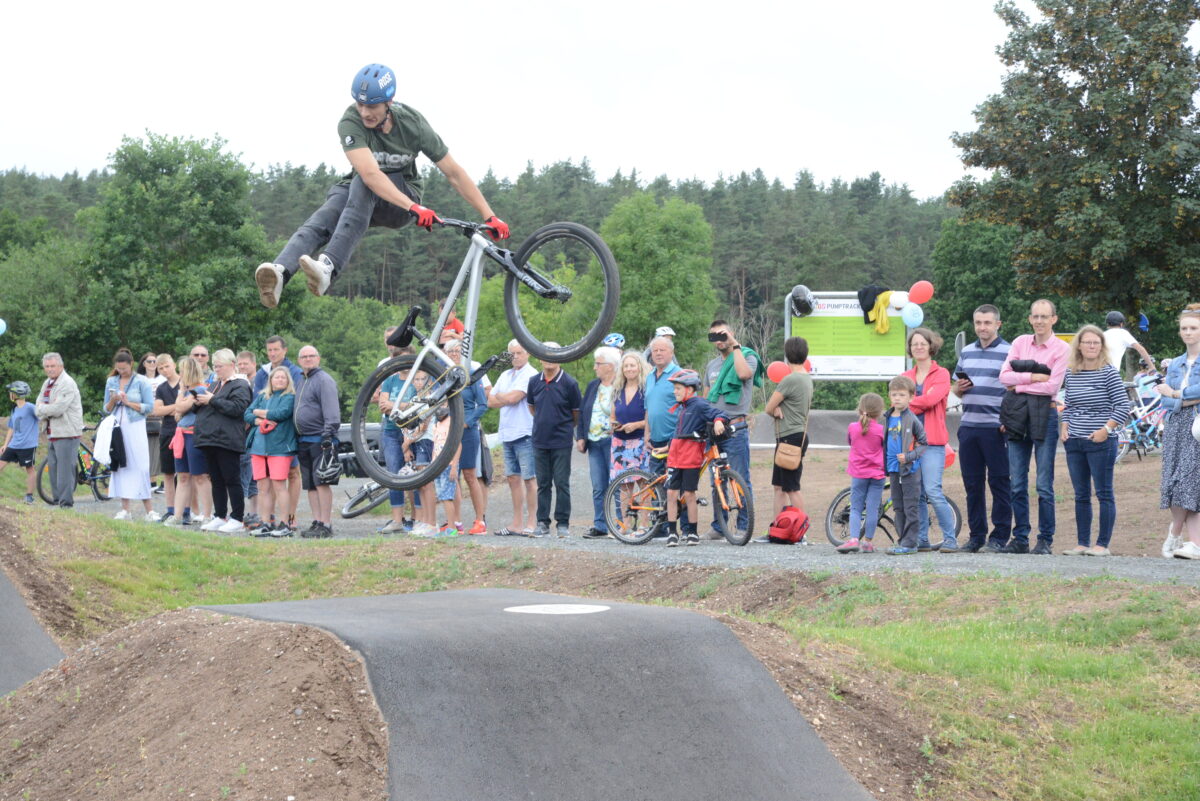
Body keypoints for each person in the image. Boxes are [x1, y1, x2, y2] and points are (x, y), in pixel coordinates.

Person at [254, 63, 509, 308]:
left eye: (372, 106)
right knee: (326, 215)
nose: (365, 112)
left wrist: (489, 216)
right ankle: (280, 272)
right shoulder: (350, 121)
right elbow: (369, 173)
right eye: (360, 104)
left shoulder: (413, 124)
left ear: (389, 102)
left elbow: (453, 172)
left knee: (364, 184)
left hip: (402, 200)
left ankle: (328, 267)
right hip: (361, 194)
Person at [999, 299, 1071, 554]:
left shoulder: (1062, 348)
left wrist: (1018, 386)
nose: (1039, 321)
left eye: (1044, 316)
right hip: (1018, 414)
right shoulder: (1020, 342)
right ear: (1030, 319)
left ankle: (1045, 540)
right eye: (1035, 316)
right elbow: (1003, 376)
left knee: (1043, 483)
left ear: (1054, 319)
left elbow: (1052, 387)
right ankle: (1020, 538)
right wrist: (1034, 377)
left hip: (1044, 413)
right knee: (1017, 482)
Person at [1058, 325, 1129, 556]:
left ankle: (1102, 545)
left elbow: (1123, 406)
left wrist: (1106, 430)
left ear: (1101, 346)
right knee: (1080, 495)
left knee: (1104, 493)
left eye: (1096, 342)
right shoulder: (1071, 373)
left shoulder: (1109, 373)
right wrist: (1064, 427)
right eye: (1087, 342)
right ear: (1079, 345)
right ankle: (1082, 543)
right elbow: (1069, 405)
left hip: (1100, 442)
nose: (1091, 346)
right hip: (1074, 442)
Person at [952, 305, 1013, 553]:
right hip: (968, 426)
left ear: (998, 324)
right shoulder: (966, 352)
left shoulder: (1010, 352)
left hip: (996, 428)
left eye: (987, 323)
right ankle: (976, 536)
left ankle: (999, 537)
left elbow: (1015, 390)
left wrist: (1008, 421)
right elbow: (956, 390)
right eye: (978, 322)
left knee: (1000, 483)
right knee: (972, 485)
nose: (982, 327)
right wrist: (959, 388)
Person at [702, 320, 763, 539]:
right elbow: (706, 398)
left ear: (731, 333)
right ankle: (719, 527)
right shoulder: (711, 366)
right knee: (716, 480)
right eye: (714, 336)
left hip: (735, 427)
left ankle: (743, 527)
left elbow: (744, 375)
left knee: (740, 478)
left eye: (722, 334)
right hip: (712, 429)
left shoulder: (747, 356)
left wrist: (735, 345)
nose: (719, 340)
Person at [654, 369, 728, 547]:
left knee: (689, 494)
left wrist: (718, 421)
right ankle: (673, 532)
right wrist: (667, 447)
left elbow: (719, 413)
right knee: (671, 493)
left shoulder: (699, 404)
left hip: (691, 457)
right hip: (675, 456)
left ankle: (692, 532)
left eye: (678, 388)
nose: (675, 392)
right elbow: (678, 432)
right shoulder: (683, 408)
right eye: (675, 388)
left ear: (689, 389)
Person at [901, 327, 958, 552]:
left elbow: (931, 400)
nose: (918, 347)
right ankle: (922, 539)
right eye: (914, 344)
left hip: (933, 443)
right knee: (918, 494)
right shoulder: (905, 376)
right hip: (910, 442)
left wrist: (909, 402)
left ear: (930, 346)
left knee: (933, 491)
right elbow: (898, 403)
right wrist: (915, 401)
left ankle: (950, 539)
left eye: (922, 343)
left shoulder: (942, 374)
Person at [1156, 303, 1200, 560]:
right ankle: (1178, 536)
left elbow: (1174, 394)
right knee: (1173, 481)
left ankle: (1185, 538)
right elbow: (1164, 401)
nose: (1188, 332)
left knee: (1189, 481)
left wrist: (1174, 393)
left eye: (1193, 328)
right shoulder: (1175, 363)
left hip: (1196, 427)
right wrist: (1181, 398)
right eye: (1184, 328)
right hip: (1175, 425)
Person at [193, 349, 253, 532]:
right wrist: (198, 403)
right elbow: (207, 407)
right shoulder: (214, 384)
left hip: (228, 439)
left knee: (232, 479)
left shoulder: (240, 384)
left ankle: (237, 518)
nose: (216, 369)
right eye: (215, 366)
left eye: (220, 366)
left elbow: (237, 409)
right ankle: (220, 516)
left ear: (232, 365)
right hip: (209, 438)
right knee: (216, 479)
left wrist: (212, 400)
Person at [527, 344, 581, 538]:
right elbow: (532, 408)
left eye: (553, 355)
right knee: (543, 484)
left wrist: (563, 427)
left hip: (561, 441)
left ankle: (563, 523)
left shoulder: (570, 383)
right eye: (545, 355)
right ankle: (542, 522)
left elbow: (576, 413)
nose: (549, 359)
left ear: (561, 357)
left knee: (561, 483)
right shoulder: (534, 381)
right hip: (540, 440)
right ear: (539, 358)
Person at [488, 340, 539, 536]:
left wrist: (502, 396)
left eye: (519, 352)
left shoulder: (531, 374)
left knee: (529, 479)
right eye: (512, 353)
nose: (515, 356)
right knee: (512, 478)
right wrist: (505, 397)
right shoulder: (505, 375)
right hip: (507, 433)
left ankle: (532, 522)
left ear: (528, 353)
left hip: (525, 433)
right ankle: (516, 522)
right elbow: (490, 401)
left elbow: (512, 398)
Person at [254, 336, 305, 530]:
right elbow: (256, 401)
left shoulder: (295, 372)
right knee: (268, 480)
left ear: (285, 350)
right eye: (270, 350)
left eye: (276, 349)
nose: (273, 353)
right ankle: (268, 518)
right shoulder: (262, 373)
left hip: (286, 433)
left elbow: (294, 402)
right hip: (265, 436)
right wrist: (258, 418)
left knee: (292, 473)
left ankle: (290, 516)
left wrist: (266, 414)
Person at [244, 366, 298, 538]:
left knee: (279, 486)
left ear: (288, 381)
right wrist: (259, 421)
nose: (280, 380)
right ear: (271, 380)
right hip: (259, 448)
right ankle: (266, 523)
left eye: (283, 377)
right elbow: (247, 414)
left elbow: (281, 413)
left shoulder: (289, 397)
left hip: (280, 448)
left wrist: (259, 413)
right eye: (276, 377)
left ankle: (284, 524)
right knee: (262, 487)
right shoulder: (262, 396)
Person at [104, 350, 158, 521]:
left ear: (131, 364)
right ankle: (125, 509)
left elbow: (149, 407)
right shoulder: (111, 381)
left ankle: (149, 510)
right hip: (117, 426)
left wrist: (129, 403)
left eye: (124, 369)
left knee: (141, 465)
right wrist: (114, 400)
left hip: (135, 425)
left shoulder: (141, 381)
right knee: (121, 463)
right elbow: (106, 408)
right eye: (118, 369)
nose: (121, 372)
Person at [764, 336, 813, 523]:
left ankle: (801, 529)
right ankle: (777, 528)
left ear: (786, 355)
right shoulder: (805, 377)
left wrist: (775, 408)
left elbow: (768, 408)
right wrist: (778, 407)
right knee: (779, 487)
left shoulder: (790, 379)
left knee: (792, 488)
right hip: (794, 435)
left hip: (790, 437)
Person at [294, 346, 341, 538]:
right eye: (304, 356)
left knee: (322, 482)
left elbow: (332, 411)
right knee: (311, 485)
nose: (308, 359)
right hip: (303, 439)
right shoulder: (301, 380)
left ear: (318, 358)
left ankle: (326, 524)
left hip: (320, 439)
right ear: (299, 360)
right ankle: (317, 521)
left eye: (311, 356)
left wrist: (328, 436)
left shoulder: (324, 380)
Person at [576, 346, 621, 539]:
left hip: (614, 441)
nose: (595, 367)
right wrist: (580, 436)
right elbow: (583, 412)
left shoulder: (621, 386)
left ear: (610, 366)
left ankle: (621, 524)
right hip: (594, 441)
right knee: (598, 485)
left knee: (617, 484)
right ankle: (600, 525)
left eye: (598, 364)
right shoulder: (593, 385)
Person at [882, 376, 928, 556]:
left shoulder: (912, 419)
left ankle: (910, 543)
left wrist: (909, 457)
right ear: (889, 396)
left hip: (909, 470)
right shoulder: (887, 417)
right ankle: (902, 540)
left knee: (910, 507)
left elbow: (923, 444)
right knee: (898, 507)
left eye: (902, 395)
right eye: (894, 395)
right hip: (893, 470)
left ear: (911, 397)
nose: (897, 398)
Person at [446, 340, 488, 535]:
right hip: (448, 430)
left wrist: (467, 422)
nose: (454, 354)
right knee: (452, 476)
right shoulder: (445, 375)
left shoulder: (472, 373)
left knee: (470, 475)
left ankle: (480, 521)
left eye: (458, 351)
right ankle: (455, 522)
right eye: (451, 351)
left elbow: (483, 405)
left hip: (467, 430)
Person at [836, 393, 887, 554]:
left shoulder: (852, 427)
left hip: (858, 473)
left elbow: (850, 442)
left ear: (860, 409)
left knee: (856, 508)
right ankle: (868, 543)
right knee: (872, 509)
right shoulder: (881, 430)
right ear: (880, 412)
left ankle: (853, 539)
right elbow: (885, 448)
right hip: (877, 474)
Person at [35, 353, 84, 508]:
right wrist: (45, 408)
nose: (50, 369)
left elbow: (58, 409)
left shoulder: (67, 383)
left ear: (61, 366)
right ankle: (58, 502)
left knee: (65, 470)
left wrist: (44, 408)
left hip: (67, 432)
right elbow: (37, 407)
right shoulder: (47, 383)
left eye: (53, 366)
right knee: (54, 469)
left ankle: (66, 504)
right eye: (47, 366)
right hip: (52, 432)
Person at [610, 351, 650, 519]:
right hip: (620, 443)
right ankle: (624, 524)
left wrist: (635, 425)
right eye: (626, 366)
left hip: (640, 441)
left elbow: (651, 418)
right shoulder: (617, 390)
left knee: (644, 484)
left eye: (632, 365)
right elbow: (612, 416)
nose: (629, 369)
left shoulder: (646, 390)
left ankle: (644, 524)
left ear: (639, 367)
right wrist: (614, 424)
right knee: (624, 486)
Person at [152, 354, 182, 524]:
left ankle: (185, 510)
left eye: (167, 366)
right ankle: (170, 510)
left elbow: (188, 406)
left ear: (174, 364)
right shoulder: (161, 388)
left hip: (183, 432)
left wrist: (169, 408)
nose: (164, 370)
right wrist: (177, 407)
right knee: (168, 474)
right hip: (166, 432)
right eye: (161, 368)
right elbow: (157, 411)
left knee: (185, 474)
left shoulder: (185, 383)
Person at [1, 381, 38, 503]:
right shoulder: (15, 409)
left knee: (30, 470)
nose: (9, 394)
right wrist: (5, 444)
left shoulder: (30, 407)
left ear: (16, 394)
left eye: (11, 392)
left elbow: (43, 416)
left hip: (27, 446)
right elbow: (11, 428)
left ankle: (29, 496)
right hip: (14, 445)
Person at [137, 352, 165, 492]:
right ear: (144, 363)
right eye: (149, 361)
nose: (152, 364)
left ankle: (164, 482)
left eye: (155, 361)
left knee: (160, 450)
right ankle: (150, 481)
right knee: (146, 450)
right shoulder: (139, 379)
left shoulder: (162, 379)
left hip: (161, 417)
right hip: (144, 417)